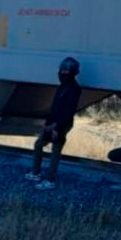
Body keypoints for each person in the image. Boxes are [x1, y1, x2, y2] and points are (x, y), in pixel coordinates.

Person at [25, 57, 83, 190]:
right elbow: (55, 108)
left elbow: (68, 112)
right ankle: (36, 173)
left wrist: (57, 126)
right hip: (53, 123)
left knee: (55, 150)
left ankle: (49, 180)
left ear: (71, 73)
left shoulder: (73, 89)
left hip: (61, 125)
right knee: (39, 144)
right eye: (62, 70)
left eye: (64, 71)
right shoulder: (63, 87)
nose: (61, 73)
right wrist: (48, 124)